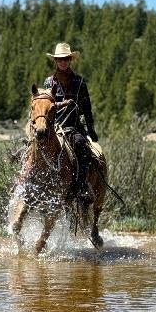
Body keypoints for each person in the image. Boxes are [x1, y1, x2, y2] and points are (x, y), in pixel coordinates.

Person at [44, 42, 98, 203]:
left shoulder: (80, 82)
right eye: (60, 59)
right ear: (55, 61)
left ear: (70, 60)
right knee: (33, 146)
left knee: (82, 146)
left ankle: (80, 187)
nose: (63, 62)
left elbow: (87, 108)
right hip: (53, 127)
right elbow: (46, 105)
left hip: (73, 127)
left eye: (66, 59)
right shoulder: (49, 82)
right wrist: (61, 104)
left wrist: (91, 130)